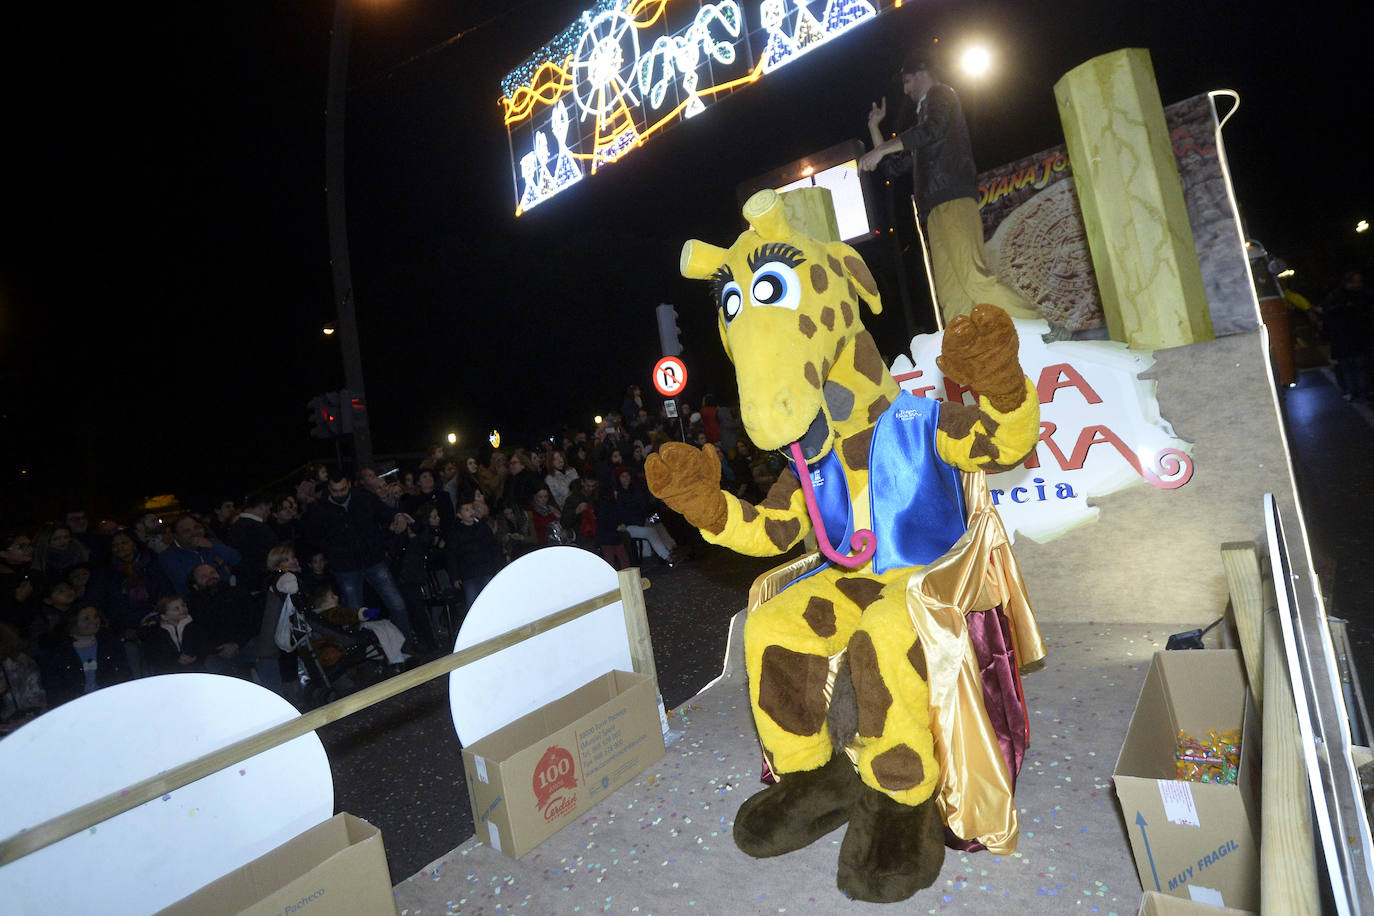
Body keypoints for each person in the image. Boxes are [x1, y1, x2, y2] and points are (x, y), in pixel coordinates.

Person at [858, 51, 1040, 326]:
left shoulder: (941, 94)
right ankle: (965, 346)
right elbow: (893, 167)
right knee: (950, 294)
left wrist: (881, 149)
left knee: (974, 279)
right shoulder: (925, 124)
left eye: (907, 81)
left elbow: (931, 130)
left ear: (922, 74)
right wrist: (875, 129)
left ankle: (1040, 324)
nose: (906, 90)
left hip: (952, 197)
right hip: (934, 208)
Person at [302, 470, 416, 646]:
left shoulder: (362, 497)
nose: (339, 494)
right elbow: (313, 536)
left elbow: (383, 511)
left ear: (349, 484)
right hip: (346, 567)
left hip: (372, 559)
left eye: (342, 489)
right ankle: (360, 651)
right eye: (335, 490)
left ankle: (407, 644)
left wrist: (395, 517)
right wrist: (333, 552)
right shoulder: (321, 508)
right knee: (354, 612)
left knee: (396, 604)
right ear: (329, 488)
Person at [39, 605, 131, 707]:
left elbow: (123, 675)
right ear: (73, 622)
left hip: (109, 701)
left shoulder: (110, 644)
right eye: (86, 619)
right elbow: (55, 688)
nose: (93, 622)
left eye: (95, 616)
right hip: (75, 705)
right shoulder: (59, 651)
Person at [1318, 270, 1374, 401]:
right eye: (1355, 282)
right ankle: (1357, 391)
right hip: (1347, 337)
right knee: (1351, 367)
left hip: (1354, 337)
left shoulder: (1358, 295)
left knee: (1355, 366)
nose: (1358, 284)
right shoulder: (1341, 297)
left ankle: (1357, 392)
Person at [159, 514, 242, 598]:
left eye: (196, 527)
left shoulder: (212, 543)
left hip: (227, 593)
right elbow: (184, 584)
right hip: (197, 600)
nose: (194, 533)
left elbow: (237, 560)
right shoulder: (168, 557)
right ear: (176, 536)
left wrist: (213, 546)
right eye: (187, 531)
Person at [614, 467, 680, 565]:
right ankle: (667, 557)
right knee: (651, 531)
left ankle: (672, 547)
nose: (626, 478)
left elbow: (645, 506)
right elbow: (625, 515)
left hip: (644, 518)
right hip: (630, 524)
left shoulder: (635, 489)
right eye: (622, 476)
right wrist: (642, 521)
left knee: (657, 523)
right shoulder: (619, 495)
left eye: (627, 475)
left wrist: (653, 517)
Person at [446, 500, 504, 608]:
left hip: (486, 569)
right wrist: (455, 577)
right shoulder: (455, 532)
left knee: (490, 600)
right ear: (459, 515)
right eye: (466, 510)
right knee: (472, 602)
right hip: (468, 574)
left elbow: (494, 548)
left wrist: (498, 566)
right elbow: (451, 556)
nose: (471, 512)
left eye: (472, 508)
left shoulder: (483, 527)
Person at [140, 594, 212, 674]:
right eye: (176, 608)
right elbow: (155, 654)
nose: (182, 609)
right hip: (169, 670)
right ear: (164, 616)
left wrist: (195, 656)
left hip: (195, 667)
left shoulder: (194, 626)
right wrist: (175, 658)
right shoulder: (157, 633)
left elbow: (203, 644)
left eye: (183, 605)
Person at [228, 493, 278, 596]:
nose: (269, 513)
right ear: (262, 507)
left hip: (242, 582)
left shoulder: (235, 526)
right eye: (269, 509)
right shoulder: (261, 529)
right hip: (261, 583)